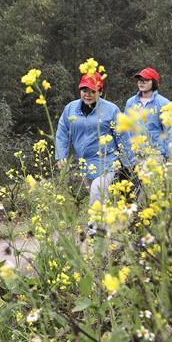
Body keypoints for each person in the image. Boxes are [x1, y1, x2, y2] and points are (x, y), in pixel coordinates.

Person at [55, 72, 134, 233]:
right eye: (84, 90)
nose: (88, 94)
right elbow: (62, 132)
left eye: (92, 91)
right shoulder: (70, 108)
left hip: (107, 161)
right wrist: (61, 156)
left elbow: (123, 136)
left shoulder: (111, 110)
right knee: (98, 195)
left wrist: (129, 164)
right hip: (85, 163)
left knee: (97, 193)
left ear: (100, 91)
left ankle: (95, 231)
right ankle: (109, 227)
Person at [124, 67, 170, 157]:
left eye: (145, 80)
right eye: (139, 80)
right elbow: (126, 130)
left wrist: (170, 156)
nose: (141, 82)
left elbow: (169, 131)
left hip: (156, 153)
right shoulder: (130, 102)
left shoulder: (163, 103)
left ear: (154, 82)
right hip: (136, 153)